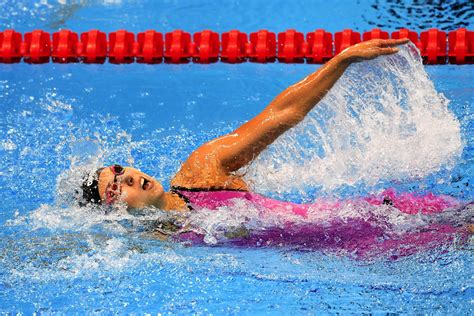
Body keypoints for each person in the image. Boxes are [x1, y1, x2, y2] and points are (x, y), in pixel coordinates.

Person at [81, 38, 410, 211]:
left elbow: (282, 115)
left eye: (120, 170)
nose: (131, 179)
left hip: (380, 219)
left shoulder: (200, 173)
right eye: (115, 189)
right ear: (113, 213)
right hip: (337, 255)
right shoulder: (162, 240)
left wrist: (342, 60)